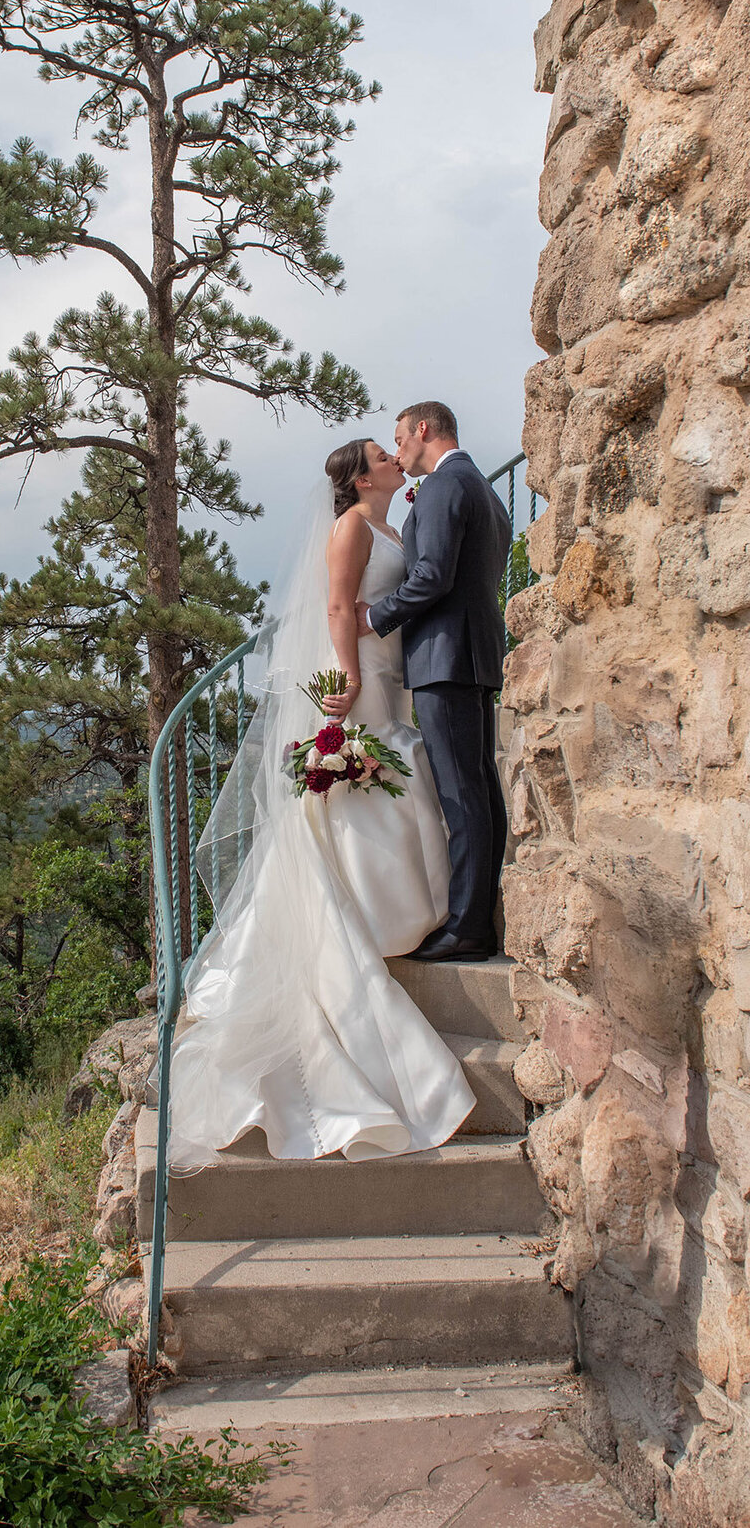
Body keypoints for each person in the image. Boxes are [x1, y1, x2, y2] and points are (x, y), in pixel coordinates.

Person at [166, 435, 477, 1172]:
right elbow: (339, 603)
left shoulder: (392, 527)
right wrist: (344, 675)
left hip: (392, 671)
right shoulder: (349, 527)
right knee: (365, 788)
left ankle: (390, 909)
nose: (395, 457)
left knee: (390, 787)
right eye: (382, 453)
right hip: (360, 675)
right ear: (359, 475)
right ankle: (359, 918)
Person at [354, 401, 512, 962]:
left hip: (445, 657)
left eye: (399, 438)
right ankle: (480, 917)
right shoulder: (486, 491)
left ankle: (468, 926)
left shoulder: (447, 486)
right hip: (474, 653)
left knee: (461, 791)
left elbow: (432, 577)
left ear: (424, 430)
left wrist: (373, 617)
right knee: (480, 788)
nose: (397, 451)